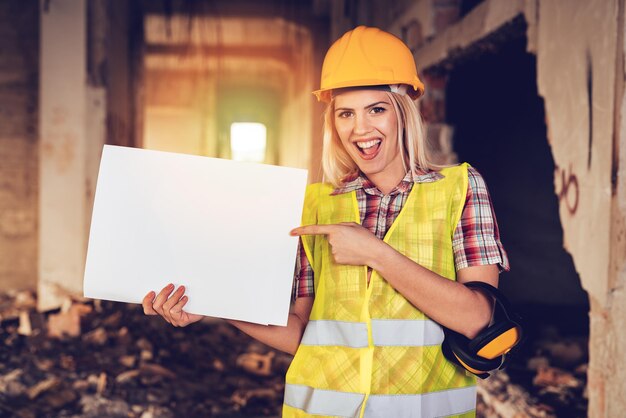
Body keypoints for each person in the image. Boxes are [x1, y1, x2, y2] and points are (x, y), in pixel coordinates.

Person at [142, 26, 509, 418]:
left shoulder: (459, 189)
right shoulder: (316, 204)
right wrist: (213, 301)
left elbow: (477, 319)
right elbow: (302, 332)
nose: (361, 129)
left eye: (377, 109)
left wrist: (375, 253)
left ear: (404, 113)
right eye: (345, 113)